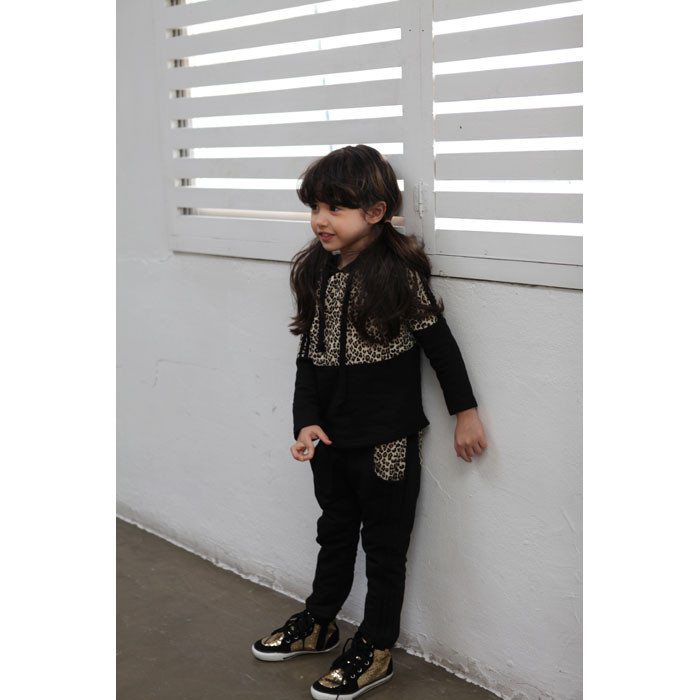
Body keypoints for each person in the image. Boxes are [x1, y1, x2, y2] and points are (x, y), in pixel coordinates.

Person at [251, 144, 487, 699]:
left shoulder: (396, 275)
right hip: (330, 441)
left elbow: (441, 347)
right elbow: (309, 359)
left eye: (335, 208)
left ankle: (377, 647)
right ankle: (321, 621)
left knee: (384, 548)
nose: (320, 219)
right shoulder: (318, 271)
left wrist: (465, 413)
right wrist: (305, 421)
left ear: (376, 212)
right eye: (315, 207)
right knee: (333, 532)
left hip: (387, 443)